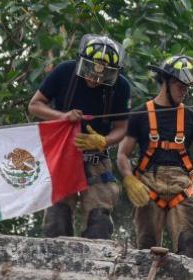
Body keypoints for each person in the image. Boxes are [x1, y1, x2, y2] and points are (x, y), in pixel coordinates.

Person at [115, 55, 193, 259]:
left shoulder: (191, 118)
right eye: (180, 85)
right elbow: (122, 154)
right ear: (166, 82)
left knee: (189, 247)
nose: (184, 91)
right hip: (148, 185)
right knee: (146, 251)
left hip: (181, 187)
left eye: (187, 87)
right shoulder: (140, 114)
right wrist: (129, 179)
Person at [28, 34, 131, 239]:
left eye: (103, 75)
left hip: (96, 156)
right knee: (58, 214)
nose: (94, 77)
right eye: (90, 70)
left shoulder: (120, 86)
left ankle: (95, 263)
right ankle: (55, 263)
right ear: (82, 62)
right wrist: (63, 116)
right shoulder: (64, 72)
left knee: (100, 216)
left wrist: (105, 141)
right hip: (63, 152)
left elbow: (122, 127)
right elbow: (34, 105)